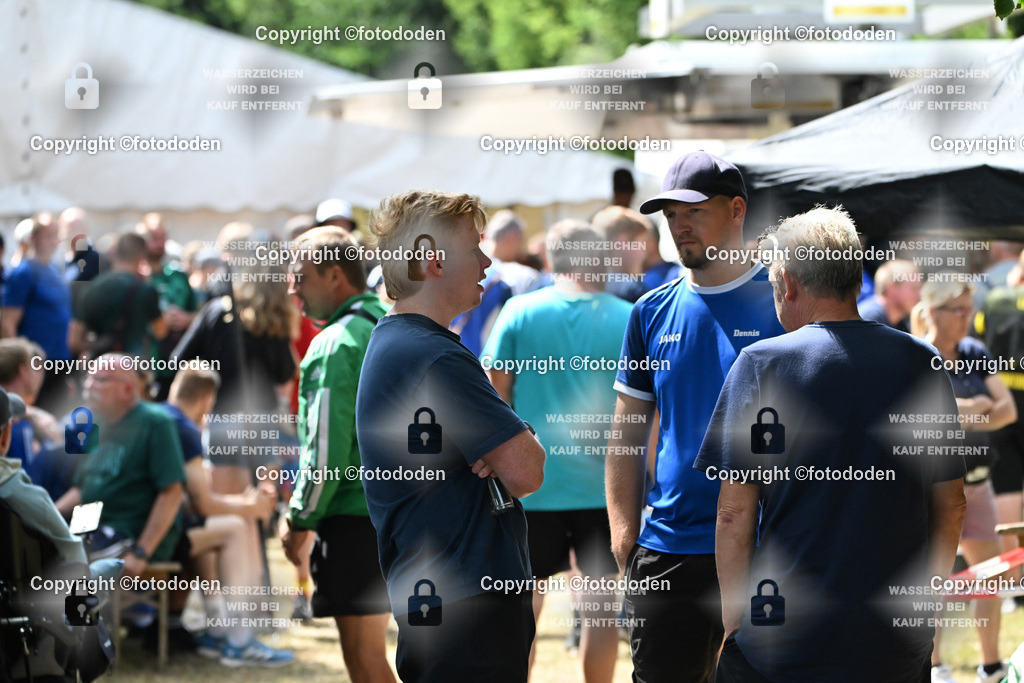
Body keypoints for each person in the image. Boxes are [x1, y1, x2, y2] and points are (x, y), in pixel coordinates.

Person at [694, 207, 967, 682]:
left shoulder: (760, 364)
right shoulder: (922, 361)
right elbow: (952, 503)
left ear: (788, 283)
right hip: (892, 646)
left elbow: (733, 513)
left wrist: (735, 624)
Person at [605, 151, 786, 682]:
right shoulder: (650, 311)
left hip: (768, 545)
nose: (679, 226)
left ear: (737, 210)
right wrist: (624, 537)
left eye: (694, 212)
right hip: (671, 548)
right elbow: (627, 432)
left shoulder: (786, 302)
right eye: (671, 215)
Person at [356, 190, 545, 682]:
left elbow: (511, 462)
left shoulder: (404, 341)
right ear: (432, 261)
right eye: (473, 248)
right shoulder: (433, 354)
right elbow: (527, 471)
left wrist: (502, 442)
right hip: (468, 605)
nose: (487, 261)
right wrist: (511, 436)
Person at [483, 219, 631, 683]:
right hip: (604, 488)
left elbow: (493, 397)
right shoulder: (630, 316)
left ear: (549, 259)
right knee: (600, 610)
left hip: (531, 485)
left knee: (523, 608)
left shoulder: (520, 311)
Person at [280, 226, 395, 682]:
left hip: (355, 517)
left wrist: (299, 520)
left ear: (334, 277)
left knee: (364, 658)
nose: (292, 289)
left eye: (300, 277)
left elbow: (324, 451)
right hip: (404, 512)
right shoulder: (388, 322)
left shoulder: (334, 343)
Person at [913, 280, 1017, 683]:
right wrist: (976, 406)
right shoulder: (917, 353)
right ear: (933, 311)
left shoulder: (974, 351)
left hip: (978, 482)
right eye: (958, 310)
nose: (967, 318)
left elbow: (1007, 411)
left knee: (990, 576)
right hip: (933, 489)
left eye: (969, 309)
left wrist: (958, 414)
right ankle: (935, 666)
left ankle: (991, 666)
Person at [159, 366, 293, 667]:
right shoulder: (183, 428)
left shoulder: (158, 417)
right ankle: (239, 640)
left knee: (212, 528)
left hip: (133, 530)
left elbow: (189, 502)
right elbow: (204, 505)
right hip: (153, 537)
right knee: (233, 527)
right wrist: (249, 507)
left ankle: (218, 630)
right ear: (207, 400)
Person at [55, 354, 185, 578]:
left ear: (127, 389)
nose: (89, 386)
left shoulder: (156, 422)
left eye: (100, 380)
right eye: (88, 378)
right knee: (41, 550)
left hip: (129, 536)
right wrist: (47, 516)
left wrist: (141, 553)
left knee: (67, 568)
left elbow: (172, 493)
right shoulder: (95, 422)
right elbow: (82, 489)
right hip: (90, 529)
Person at [1, 213, 73, 414]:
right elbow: (8, 322)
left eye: (56, 236)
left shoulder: (55, 270)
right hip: (34, 366)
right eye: (47, 236)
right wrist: (19, 366)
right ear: (33, 238)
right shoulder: (23, 272)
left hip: (59, 362)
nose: (53, 241)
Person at [69, 231, 167, 360]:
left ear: (115, 253)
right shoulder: (146, 290)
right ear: (141, 257)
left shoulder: (92, 288)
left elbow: (74, 341)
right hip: (135, 363)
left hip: (102, 364)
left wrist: (98, 346)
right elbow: (161, 332)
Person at [0, 338, 75, 501]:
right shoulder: (19, 426)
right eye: (37, 369)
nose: (42, 376)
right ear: (23, 371)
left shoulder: (26, 417)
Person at [137, 213, 198, 400]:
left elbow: (200, 313)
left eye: (163, 238)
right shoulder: (135, 278)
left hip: (175, 365)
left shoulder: (177, 275)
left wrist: (187, 319)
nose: (159, 243)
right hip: (142, 366)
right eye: (154, 238)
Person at [591, 206, 651, 303]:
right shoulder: (634, 292)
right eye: (642, 244)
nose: (645, 254)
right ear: (623, 243)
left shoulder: (582, 285)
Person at [857, 258, 922, 333]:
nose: (919, 295)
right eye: (914, 288)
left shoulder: (899, 323)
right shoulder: (869, 321)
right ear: (891, 288)